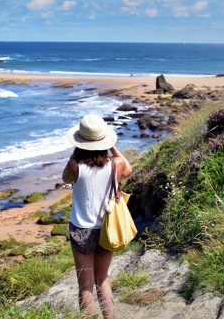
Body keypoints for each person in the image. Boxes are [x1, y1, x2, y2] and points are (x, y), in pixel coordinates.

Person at [62, 114, 132, 318]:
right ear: (104, 141)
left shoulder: (75, 166)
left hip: (82, 229)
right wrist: (112, 147)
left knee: (85, 286)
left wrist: (76, 151)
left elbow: (65, 177)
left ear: (80, 142)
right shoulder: (116, 164)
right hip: (106, 227)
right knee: (102, 279)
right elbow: (128, 169)